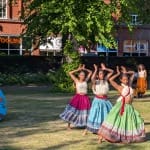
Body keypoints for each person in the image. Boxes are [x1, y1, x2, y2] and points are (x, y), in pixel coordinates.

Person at [98, 66, 145, 143]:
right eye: (124, 80)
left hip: (129, 107)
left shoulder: (129, 85)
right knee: (113, 121)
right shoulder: (120, 87)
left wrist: (125, 72)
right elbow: (110, 80)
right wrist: (118, 73)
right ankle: (101, 137)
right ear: (121, 80)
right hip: (121, 106)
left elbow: (133, 73)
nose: (126, 81)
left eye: (127, 79)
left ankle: (124, 136)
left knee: (127, 122)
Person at [60, 64, 92, 129]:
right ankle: (68, 125)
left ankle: (85, 125)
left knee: (85, 111)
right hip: (78, 97)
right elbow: (70, 73)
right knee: (73, 111)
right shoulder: (76, 80)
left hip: (85, 98)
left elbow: (91, 72)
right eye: (82, 75)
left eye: (84, 75)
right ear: (79, 76)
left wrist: (84, 69)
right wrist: (78, 69)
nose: (83, 76)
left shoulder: (86, 80)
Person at [83, 63, 113, 134]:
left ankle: (104, 129)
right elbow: (92, 78)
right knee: (94, 114)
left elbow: (111, 72)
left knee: (106, 115)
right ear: (98, 75)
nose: (101, 75)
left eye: (102, 74)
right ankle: (87, 129)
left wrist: (105, 68)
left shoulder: (105, 80)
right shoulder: (95, 82)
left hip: (105, 100)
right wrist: (96, 69)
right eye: (100, 74)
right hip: (97, 100)